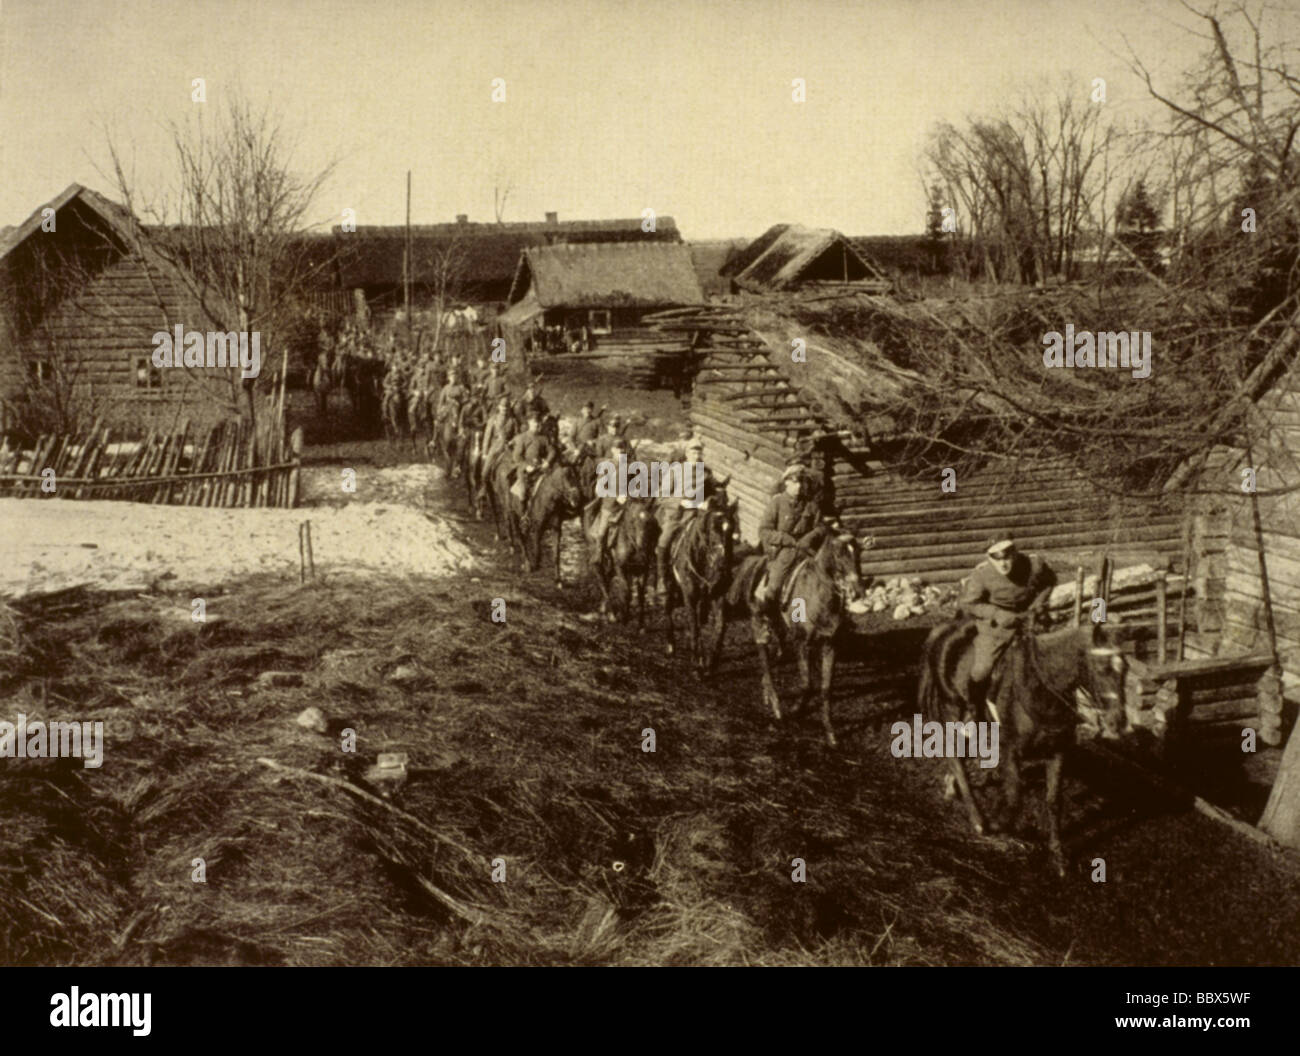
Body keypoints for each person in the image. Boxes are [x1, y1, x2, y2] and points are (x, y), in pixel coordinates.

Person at [958, 536, 1057, 723]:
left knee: (1054, 657)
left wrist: (1037, 605)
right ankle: (972, 710)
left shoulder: (1033, 565)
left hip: (1030, 621)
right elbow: (969, 604)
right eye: (997, 558)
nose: (1003, 563)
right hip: (996, 627)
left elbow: (1049, 581)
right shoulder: (982, 575)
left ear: (1015, 553)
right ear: (989, 557)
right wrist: (996, 613)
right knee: (982, 669)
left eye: (1007, 557)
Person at [755, 463, 824, 610]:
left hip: (807, 551)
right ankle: (769, 619)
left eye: (801, 482)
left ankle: (804, 619)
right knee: (775, 585)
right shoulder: (777, 503)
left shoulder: (810, 505)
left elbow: (820, 527)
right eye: (794, 482)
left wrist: (809, 537)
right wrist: (786, 540)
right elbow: (764, 531)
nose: (798, 486)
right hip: (783, 553)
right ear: (786, 482)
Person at [655, 438, 714, 598]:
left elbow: (711, 493)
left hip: (699, 515)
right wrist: (682, 501)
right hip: (678, 516)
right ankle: (662, 578)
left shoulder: (706, 472)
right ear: (687, 453)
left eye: (699, 452)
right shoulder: (676, 470)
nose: (696, 455)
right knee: (664, 540)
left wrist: (708, 502)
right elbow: (661, 496)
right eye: (693, 452)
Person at [587, 436, 631, 561]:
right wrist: (617, 497)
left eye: (622, 449)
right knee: (602, 530)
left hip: (627, 504)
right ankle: (599, 553)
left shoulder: (629, 466)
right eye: (618, 449)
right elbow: (600, 489)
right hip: (610, 504)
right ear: (613, 450)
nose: (621, 451)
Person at [508, 410, 554, 503]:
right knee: (522, 493)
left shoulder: (544, 438)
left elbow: (552, 451)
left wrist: (548, 462)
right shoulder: (522, 437)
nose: (537, 425)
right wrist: (526, 466)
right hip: (525, 470)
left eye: (538, 422)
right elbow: (517, 456)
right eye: (534, 422)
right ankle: (523, 514)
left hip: (540, 468)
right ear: (529, 423)